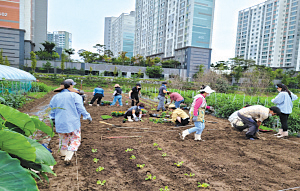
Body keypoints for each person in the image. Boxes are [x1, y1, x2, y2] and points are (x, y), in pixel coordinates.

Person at [50, 81, 92, 164]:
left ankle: (63, 155)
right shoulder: (75, 96)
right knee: (75, 138)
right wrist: (87, 116)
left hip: (60, 122)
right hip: (73, 122)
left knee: (63, 139)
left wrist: (53, 119)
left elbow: (52, 110)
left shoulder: (55, 97)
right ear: (71, 87)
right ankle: (68, 157)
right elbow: (80, 108)